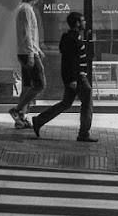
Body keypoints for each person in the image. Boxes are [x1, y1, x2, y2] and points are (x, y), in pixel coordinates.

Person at [32, 12, 97, 142]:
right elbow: (70, 61)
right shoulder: (72, 40)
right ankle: (84, 133)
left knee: (66, 103)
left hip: (76, 78)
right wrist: (73, 79)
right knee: (87, 101)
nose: (85, 23)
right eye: (83, 21)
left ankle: (39, 120)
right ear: (77, 23)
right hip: (78, 78)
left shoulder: (73, 38)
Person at [8, 0, 46, 129]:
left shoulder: (23, 8)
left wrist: (36, 50)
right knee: (40, 84)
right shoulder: (26, 10)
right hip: (27, 53)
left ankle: (21, 119)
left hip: (27, 51)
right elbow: (27, 34)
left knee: (27, 86)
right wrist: (32, 53)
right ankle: (17, 111)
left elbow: (29, 34)